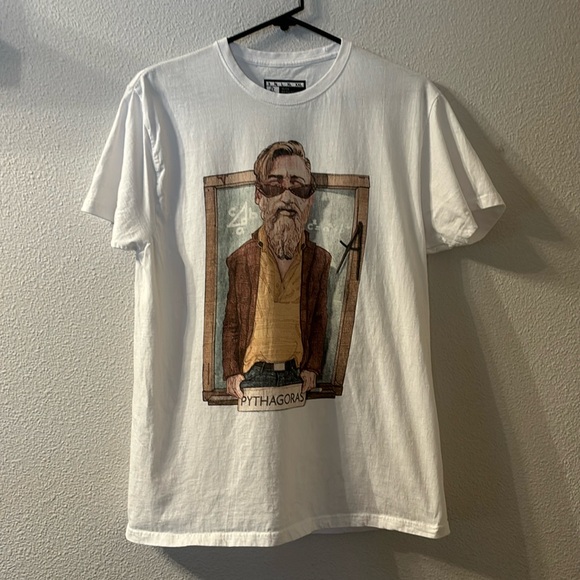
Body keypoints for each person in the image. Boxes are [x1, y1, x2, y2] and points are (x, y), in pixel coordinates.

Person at [222, 140, 331, 399]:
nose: (287, 198)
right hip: (251, 378)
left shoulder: (319, 260)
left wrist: (312, 368)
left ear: (310, 200)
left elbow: (319, 321)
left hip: (298, 377)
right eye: (274, 185)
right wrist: (232, 372)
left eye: (298, 187)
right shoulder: (241, 259)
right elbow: (232, 323)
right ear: (259, 196)